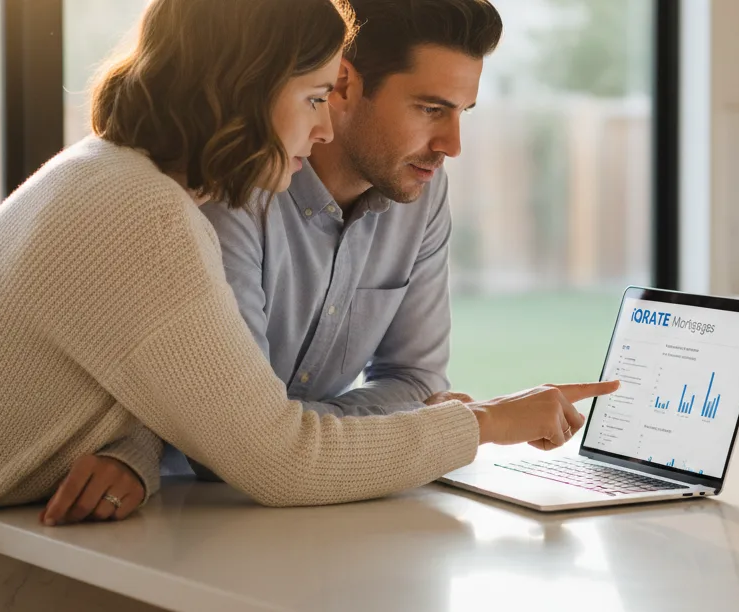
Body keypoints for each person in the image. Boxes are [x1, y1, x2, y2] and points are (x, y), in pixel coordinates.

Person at [0, 0, 619, 609]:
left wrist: (141, 443)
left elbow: (165, 388)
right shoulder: (147, 215)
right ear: (249, 89)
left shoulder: (112, 181)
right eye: (317, 97)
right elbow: (278, 458)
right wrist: (484, 423)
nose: (323, 130)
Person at [168, 0, 506, 479]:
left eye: (462, 113)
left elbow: (416, 380)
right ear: (344, 85)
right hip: (182, 512)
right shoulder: (235, 191)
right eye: (431, 109)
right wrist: (424, 426)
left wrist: (299, 434)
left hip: (319, 507)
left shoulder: (422, 193)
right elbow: (232, 447)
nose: (451, 145)